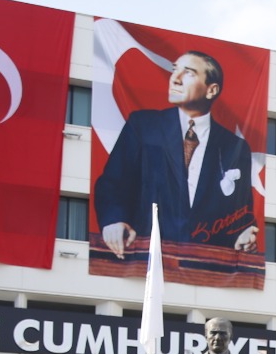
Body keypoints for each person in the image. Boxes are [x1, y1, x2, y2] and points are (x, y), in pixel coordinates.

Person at [93, 50, 258, 256]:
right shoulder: (144, 126)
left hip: (207, 267)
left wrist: (243, 235)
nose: (175, 79)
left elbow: (241, 213)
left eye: (188, 73)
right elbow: (113, 183)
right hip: (145, 258)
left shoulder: (235, 147)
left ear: (211, 90)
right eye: (174, 70)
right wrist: (113, 220)